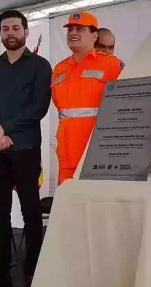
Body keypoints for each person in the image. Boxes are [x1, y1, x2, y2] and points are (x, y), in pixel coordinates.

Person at [0, 9, 52, 287]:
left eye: (15, 28)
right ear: (0, 33)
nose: (10, 33)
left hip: (25, 148)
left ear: (26, 31)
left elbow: (38, 108)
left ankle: (33, 273)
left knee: (31, 212)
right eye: (5, 29)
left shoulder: (40, 66)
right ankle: (1, 272)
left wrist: (3, 131)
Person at [51, 12, 123, 184]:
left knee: (98, 205)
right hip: (67, 152)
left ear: (94, 35)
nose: (73, 33)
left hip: (99, 151)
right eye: (70, 30)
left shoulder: (112, 65)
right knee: (68, 203)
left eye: (79, 29)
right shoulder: (59, 69)